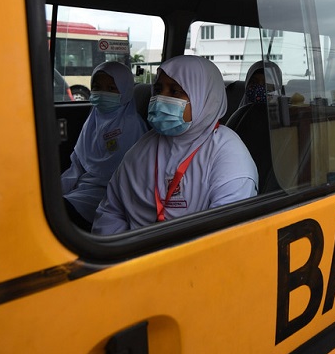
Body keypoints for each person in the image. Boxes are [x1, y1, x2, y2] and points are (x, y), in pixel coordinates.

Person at [92, 55, 258, 234]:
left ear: (203, 97)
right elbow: (111, 211)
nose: (160, 98)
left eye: (174, 91)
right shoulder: (142, 147)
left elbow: (225, 234)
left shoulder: (228, 155)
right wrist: (125, 248)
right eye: (158, 90)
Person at [61, 62, 147, 228]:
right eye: (97, 87)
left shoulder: (133, 125)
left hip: (110, 193)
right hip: (83, 187)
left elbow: (129, 177)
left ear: (125, 91)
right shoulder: (93, 119)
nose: (102, 93)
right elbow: (77, 164)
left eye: (111, 88)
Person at [227, 61, 283, 193]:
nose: (260, 88)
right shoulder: (239, 116)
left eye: (267, 84)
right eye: (254, 82)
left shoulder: (284, 122)